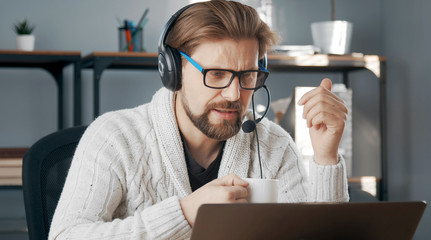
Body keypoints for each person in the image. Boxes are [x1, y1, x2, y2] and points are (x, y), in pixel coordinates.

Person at [49, 0, 349, 239]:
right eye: (216, 74)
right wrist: (184, 213)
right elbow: (67, 235)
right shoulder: (114, 137)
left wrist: (325, 158)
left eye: (247, 75)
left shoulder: (274, 147)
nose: (234, 94)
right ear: (173, 71)